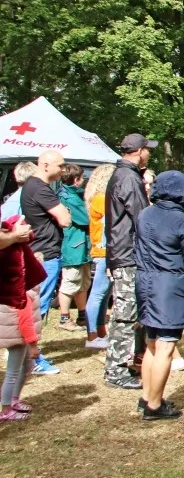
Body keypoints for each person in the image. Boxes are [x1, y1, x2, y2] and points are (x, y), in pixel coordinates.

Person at [134, 171, 184, 421]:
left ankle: (147, 396)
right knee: (166, 345)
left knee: (151, 343)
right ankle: (154, 404)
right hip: (170, 286)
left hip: (145, 282)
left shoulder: (144, 214)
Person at [102, 135, 154, 389]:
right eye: (147, 149)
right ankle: (116, 370)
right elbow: (141, 217)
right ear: (139, 151)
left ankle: (121, 364)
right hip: (127, 254)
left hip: (123, 252)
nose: (149, 154)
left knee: (127, 311)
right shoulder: (128, 177)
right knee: (124, 313)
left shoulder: (122, 174)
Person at [22, 150, 72, 321]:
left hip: (41, 251)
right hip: (46, 253)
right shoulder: (40, 189)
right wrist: (65, 211)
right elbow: (65, 220)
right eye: (60, 166)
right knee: (38, 306)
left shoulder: (33, 185)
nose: (63, 170)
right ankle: (32, 338)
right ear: (45, 165)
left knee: (35, 304)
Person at [0, 218, 40, 420]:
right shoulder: (21, 294)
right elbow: (25, 322)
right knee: (13, 371)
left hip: (16, 334)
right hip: (17, 336)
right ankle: (6, 408)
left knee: (26, 367)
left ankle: (14, 400)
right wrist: (33, 345)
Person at [55, 164, 91, 331]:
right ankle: (64, 318)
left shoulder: (75, 195)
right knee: (70, 282)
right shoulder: (68, 197)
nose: (83, 181)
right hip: (73, 246)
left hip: (82, 247)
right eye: (82, 178)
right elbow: (85, 219)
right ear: (76, 180)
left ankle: (82, 315)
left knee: (83, 282)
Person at [84, 164, 115, 350]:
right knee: (98, 293)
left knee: (104, 294)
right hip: (104, 252)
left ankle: (100, 331)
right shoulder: (102, 199)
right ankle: (92, 334)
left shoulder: (97, 199)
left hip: (103, 251)